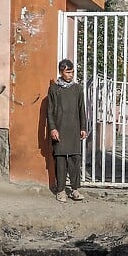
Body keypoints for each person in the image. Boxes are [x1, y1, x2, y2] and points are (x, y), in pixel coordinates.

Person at [47, 59, 88, 203]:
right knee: (60, 161)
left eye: (72, 72)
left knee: (75, 160)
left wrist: (83, 127)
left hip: (74, 129)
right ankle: (61, 190)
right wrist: (52, 128)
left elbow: (81, 109)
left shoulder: (77, 88)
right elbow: (50, 111)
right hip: (59, 130)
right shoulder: (54, 89)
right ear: (61, 72)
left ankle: (75, 190)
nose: (70, 75)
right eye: (67, 72)